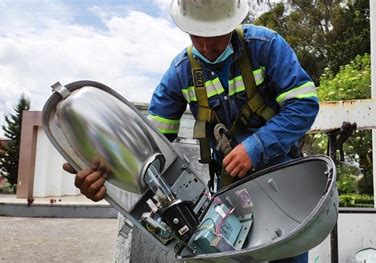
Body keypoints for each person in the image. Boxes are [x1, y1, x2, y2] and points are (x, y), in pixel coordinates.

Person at [63, 1, 319, 262]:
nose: (207, 46)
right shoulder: (181, 72)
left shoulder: (265, 47)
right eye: (197, 35)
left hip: (284, 180)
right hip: (233, 193)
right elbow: (148, 148)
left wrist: (256, 147)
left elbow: (304, 105)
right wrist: (103, 169)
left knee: (291, 253)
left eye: (215, 33)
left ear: (233, 22)